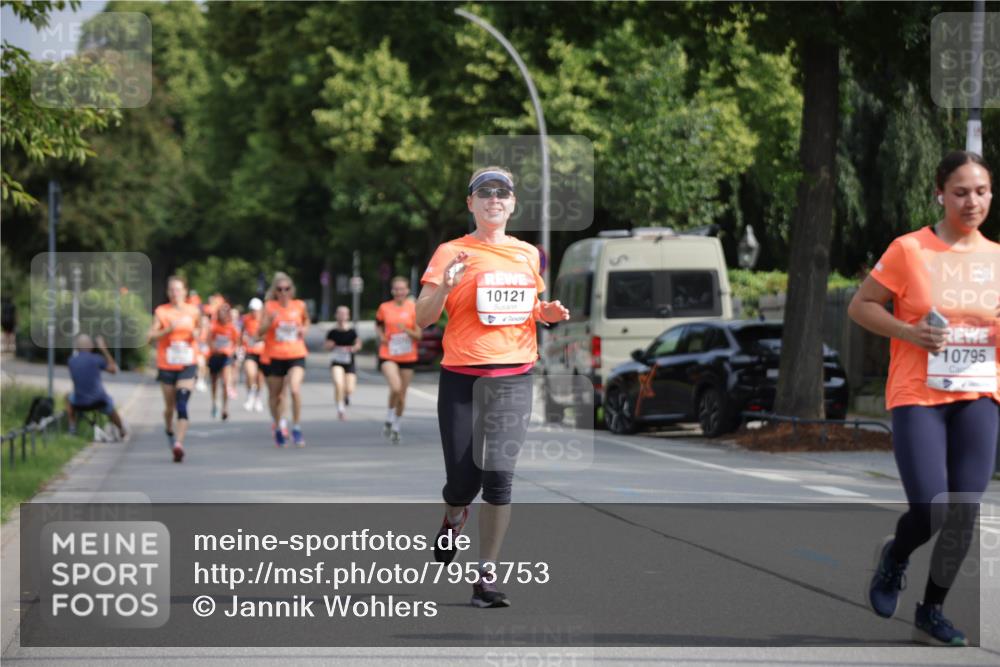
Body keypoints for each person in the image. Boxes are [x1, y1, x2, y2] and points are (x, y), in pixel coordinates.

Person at [848, 150, 1000, 647]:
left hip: (978, 393)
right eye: (960, 192)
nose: (971, 201)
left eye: (980, 191)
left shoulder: (997, 258)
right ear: (939, 193)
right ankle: (895, 556)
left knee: (964, 508)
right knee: (932, 506)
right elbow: (861, 305)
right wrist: (907, 332)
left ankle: (931, 610)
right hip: (918, 394)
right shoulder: (910, 250)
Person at [416, 166, 569, 608]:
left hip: (514, 375)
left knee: (499, 479)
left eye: (502, 193)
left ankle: (485, 579)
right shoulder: (451, 251)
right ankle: (453, 516)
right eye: (484, 192)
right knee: (463, 481)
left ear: (513, 203)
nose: (494, 199)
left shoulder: (527, 254)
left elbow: (529, 307)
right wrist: (444, 288)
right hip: (463, 376)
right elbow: (423, 318)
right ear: (471, 203)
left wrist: (547, 313)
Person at [148, 275, 202, 463]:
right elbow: (150, 336)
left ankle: (178, 444)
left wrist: (197, 334)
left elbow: (202, 331)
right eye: (171, 290)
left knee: (182, 402)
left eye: (178, 289)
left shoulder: (193, 311)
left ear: (185, 292)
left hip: (187, 363)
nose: (174, 293)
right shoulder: (162, 311)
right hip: (167, 364)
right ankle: (169, 429)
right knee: (169, 407)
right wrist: (168, 330)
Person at [259, 272, 309, 447]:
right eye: (280, 289)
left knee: (294, 389)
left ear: (291, 290)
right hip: (274, 355)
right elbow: (259, 332)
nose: (283, 292)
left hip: (296, 353)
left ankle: (296, 427)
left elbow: (306, 321)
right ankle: (278, 425)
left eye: (287, 289)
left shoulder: (299, 305)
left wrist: (304, 329)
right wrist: (269, 322)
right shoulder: (269, 307)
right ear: (275, 291)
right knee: (276, 396)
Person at [376, 276, 421, 444]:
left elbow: (419, 335)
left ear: (407, 290)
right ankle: (389, 414)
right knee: (395, 387)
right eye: (396, 289)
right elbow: (378, 325)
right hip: (388, 353)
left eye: (402, 289)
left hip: (408, 355)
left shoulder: (414, 308)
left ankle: (395, 425)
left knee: (402, 394)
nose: (399, 292)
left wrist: (406, 331)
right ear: (392, 290)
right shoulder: (384, 307)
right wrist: (381, 336)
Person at [65, 334, 127, 439]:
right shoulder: (96, 359)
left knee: (68, 397)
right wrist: (104, 349)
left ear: (77, 347)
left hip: (79, 402)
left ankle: (72, 428)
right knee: (110, 405)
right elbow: (114, 370)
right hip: (99, 401)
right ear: (91, 346)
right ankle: (121, 430)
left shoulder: (71, 361)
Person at [324, 305, 362, 420]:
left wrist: (354, 348)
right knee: (338, 383)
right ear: (336, 315)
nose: (342, 316)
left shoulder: (352, 331)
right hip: (337, 362)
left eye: (344, 314)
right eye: (340, 313)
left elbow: (358, 344)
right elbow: (326, 346)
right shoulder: (332, 332)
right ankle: (340, 408)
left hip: (349, 362)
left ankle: (346, 396)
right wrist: (330, 346)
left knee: (349, 388)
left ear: (348, 316)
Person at [208, 303, 240, 421]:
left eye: (225, 312)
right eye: (221, 312)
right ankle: (214, 402)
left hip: (226, 357)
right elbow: (209, 340)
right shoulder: (213, 326)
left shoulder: (232, 328)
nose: (223, 314)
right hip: (214, 356)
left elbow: (236, 343)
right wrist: (214, 348)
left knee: (226, 383)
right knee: (214, 383)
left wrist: (231, 351)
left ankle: (225, 408)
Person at [241, 298, 266, 412]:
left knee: (260, 378)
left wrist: (259, 338)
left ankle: (258, 398)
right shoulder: (246, 319)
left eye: (256, 310)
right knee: (251, 374)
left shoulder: (265, 320)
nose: (254, 312)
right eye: (252, 310)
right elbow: (241, 332)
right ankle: (250, 396)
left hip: (263, 352)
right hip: (250, 351)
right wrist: (242, 341)